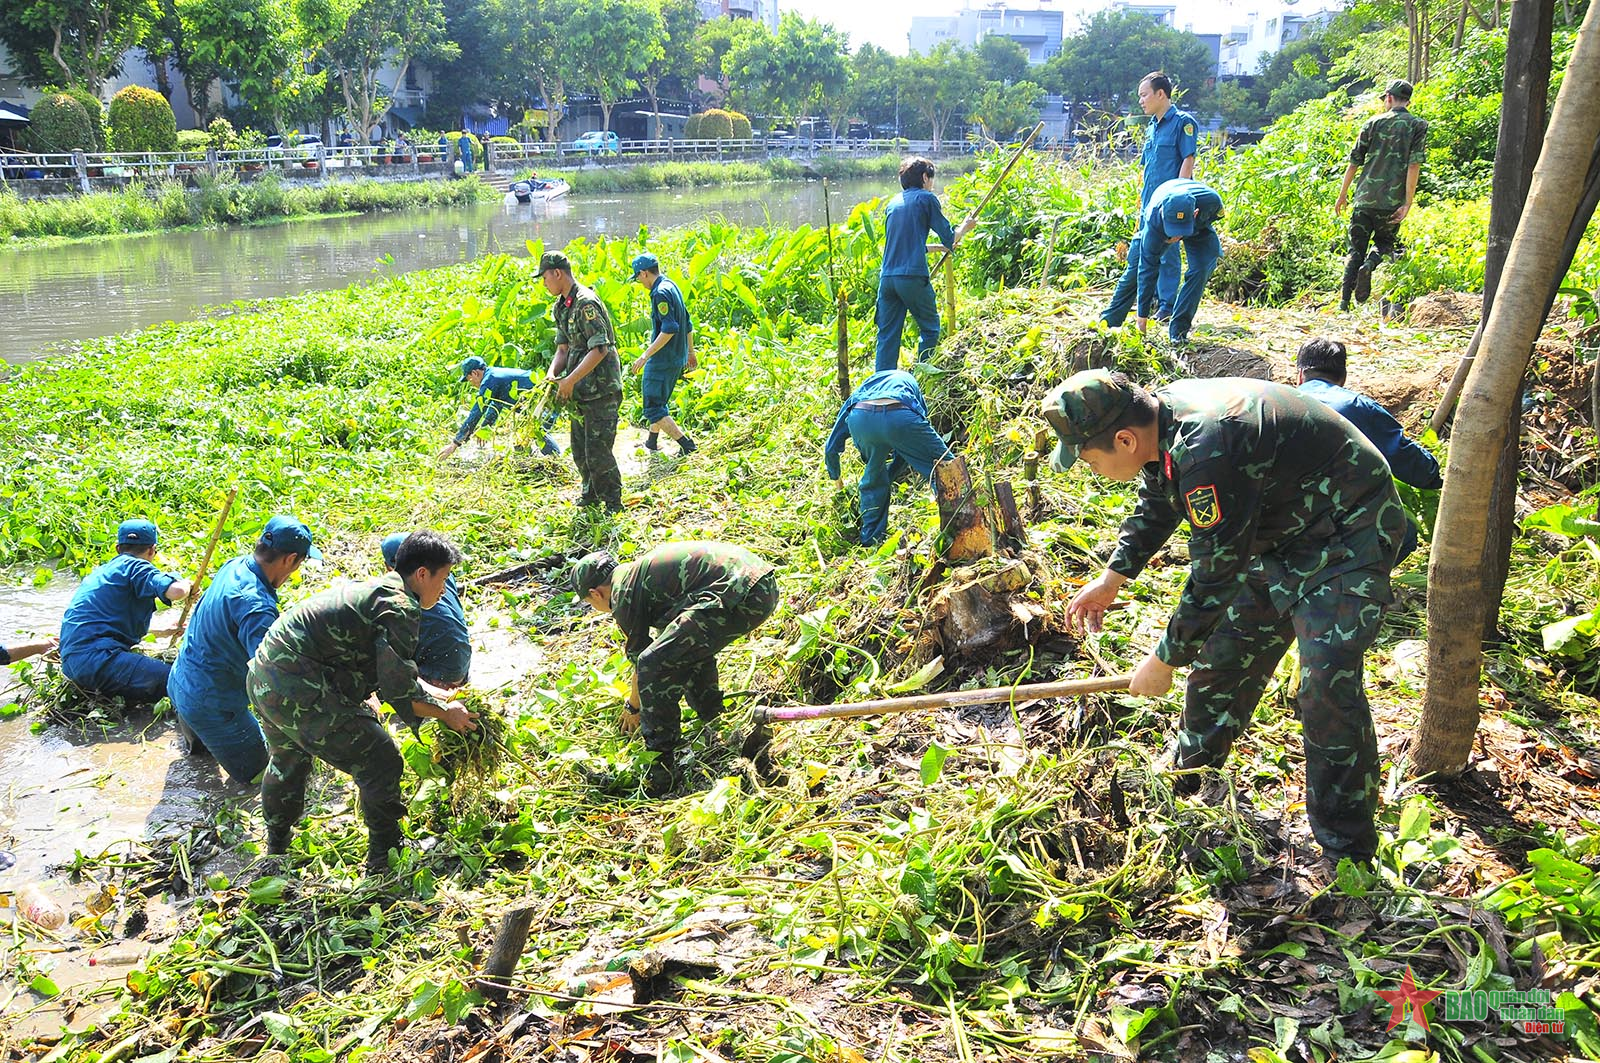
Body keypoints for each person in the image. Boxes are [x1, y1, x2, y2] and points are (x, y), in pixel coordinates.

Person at [1043, 369, 1406, 865]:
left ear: (1124, 440)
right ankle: (1191, 771)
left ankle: (1347, 850)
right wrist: (1113, 578)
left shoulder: (1208, 446)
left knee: (1325, 685)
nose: (1092, 471)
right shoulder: (1160, 425)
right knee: (1224, 655)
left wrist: (1164, 660)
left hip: (1348, 532)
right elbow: (1159, 500)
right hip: (1278, 531)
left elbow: (1215, 575)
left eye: (1089, 459)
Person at [247, 531, 476, 875]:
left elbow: (395, 672)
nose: (444, 590)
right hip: (297, 685)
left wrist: (441, 697)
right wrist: (447, 714)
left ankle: (276, 849)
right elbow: (399, 693)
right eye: (443, 579)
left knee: (287, 759)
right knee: (380, 758)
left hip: (264, 677)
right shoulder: (401, 608)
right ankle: (385, 857)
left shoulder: (381, 590)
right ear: (422, 574)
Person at [573, 543, 778, 796]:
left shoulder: (622, 594)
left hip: (745, 595)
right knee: (680, 649)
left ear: (595, 594)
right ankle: (713, 717)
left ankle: (661, 767)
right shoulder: (636, 575)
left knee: (654, 663)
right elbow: (677, 645)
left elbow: (643, 664)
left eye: (589, 602)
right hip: (761, 584)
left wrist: (633, 708)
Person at [169, 517, 321, 785]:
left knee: (200, 757)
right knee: (264, 778)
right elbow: (274, 676)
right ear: (290, 559)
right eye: (300, 563)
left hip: (180, 682)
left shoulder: (235, 565)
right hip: (212, 705)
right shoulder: (256, 607)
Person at [1296, 337, 1442, 560]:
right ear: (1343, 377)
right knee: (1405, 531)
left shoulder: (1273, 404)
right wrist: (1435, 475)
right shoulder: (1357, 407)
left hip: (1268, 522)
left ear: (1300, 375)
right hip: (1326, 520)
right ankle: (1354, 577)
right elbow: (1409, 462)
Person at [59, 519, 193, 702]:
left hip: (72, 664)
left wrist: (161, 632)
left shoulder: (100, 573)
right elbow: (176, 592)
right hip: (100, 661)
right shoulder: (136, 566)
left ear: (117, 548)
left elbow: (105, 626)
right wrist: (188, 585)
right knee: (185, 682)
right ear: (152, 550)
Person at [823, 369, 954, 546]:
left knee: (874, 476)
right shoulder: (908, 381)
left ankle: (871, 541)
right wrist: (893, 471)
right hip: (900, 416)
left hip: (862, 419)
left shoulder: (861, 391)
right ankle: (959, 522)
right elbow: (913, 440)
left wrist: (837, 480)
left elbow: (831, 447)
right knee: (945, 468)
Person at [540, 251, 625, 512]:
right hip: (579, 390)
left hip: (601, 388)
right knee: (579, 448)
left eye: (545, 277)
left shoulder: (586, 303)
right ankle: (590, 494)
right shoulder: (561, 307)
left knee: (598, 450)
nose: (544, 284)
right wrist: (553, 374)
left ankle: (613, 501)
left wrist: (570, 380)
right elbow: (562, 348)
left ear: (557, 273)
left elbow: (600, 349)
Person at [874, 157, 974, 372]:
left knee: (887, 335)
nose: (932, 183)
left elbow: (905, 244)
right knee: (929, 328)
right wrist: (965, 227)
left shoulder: (893, 203)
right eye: (931, 178)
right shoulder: (926, 199)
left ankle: (881, 382)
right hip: (911, 277)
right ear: (924, 177)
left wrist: (936, 248)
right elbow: (950, 237)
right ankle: (922, 374)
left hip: (888, 278)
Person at [1335, 80, 1428, 311]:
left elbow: (1354, 162)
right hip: (1391, 202)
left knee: (1355, 250)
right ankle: (1370, 264)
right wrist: (1407, 202)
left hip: (1364, 199)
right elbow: (1414, 165)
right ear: (1408, 100)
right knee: (1384, 243)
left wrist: (1343, 195)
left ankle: (1344, 304)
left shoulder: (1372, 123)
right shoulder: (1418, 125)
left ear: (1388, 97)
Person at [1102, 178, 1223, 346]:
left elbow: (1207, 225)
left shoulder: (1212, 203)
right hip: (1161, 217)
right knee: (1137, 268)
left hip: (1198, 225)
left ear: (1195, 213)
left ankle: (1178, 333)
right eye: (1173, 230)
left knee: (1202, 268)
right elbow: (1147, 272)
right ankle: (1108, 322)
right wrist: (1142, 320)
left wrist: (1191, 231)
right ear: (1162, 214)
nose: (1176, 237)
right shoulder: (1154, 219)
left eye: (1180, 231)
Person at [1135, 72, 1199, 320]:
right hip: (1149, 201)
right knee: (1147, 250)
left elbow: (1188, 160)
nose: (1141, 101)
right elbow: (1148, 166)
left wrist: (1178, 197)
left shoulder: (1183, 122)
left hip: (1170, 201)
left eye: (1144, 95)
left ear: (1160, 94)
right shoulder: (1152, 127)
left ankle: (1167, 305)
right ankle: (1149, 300)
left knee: (1168, 251)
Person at [629, 254, 698, 457]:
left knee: (652, 408)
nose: (639, 282)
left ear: (644, 273)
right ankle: (651, 442)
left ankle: (687, 445)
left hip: (663, 359)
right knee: (658, 401)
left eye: (638, 277)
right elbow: (688, 323)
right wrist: (690, 352)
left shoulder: (660, 293)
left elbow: (670, 328)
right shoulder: (671, 285)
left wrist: (645, 355)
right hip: (677, 356)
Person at [381, 532, 470, 687]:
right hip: (462, 666)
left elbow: (388, 662)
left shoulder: (400, 602)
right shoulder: (441, 571)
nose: (443, 590)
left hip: (439, 676)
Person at [437, 356, 560, 460]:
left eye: (469, 379)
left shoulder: (490, 379)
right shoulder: (493, 376)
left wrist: (454, 444)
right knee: (520, 438)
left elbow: (477, 412)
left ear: (474, 373)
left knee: (537, 431)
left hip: (545, 400)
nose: (471, 383)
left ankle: (556, 460)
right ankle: (526, 462)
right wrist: (485, 428)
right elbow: (496, 405)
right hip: (536, 404)